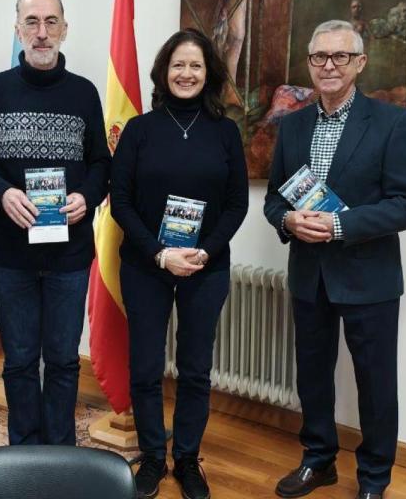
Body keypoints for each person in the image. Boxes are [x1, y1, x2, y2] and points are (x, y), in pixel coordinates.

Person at [264, 20, 406, 499]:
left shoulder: (393, 123)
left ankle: (374, 479)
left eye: (340, 56)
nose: (329, 65)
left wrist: (339, 225)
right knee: (312, 376)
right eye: (320, 57)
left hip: (368, 277)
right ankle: (318, 460)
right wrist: (287, 221)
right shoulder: (293, 126)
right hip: (309, 276)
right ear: (309, 63)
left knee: (375, 383)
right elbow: (274, 199)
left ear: (360, 63)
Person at [0, 0, 110, 446]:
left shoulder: (84, 93)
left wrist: (87, 196)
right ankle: (25, 452)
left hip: (69, 256)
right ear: (18, 29)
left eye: (50, 22)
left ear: (65, 29)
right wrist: (3, 193)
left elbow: (101, 163)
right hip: (11, 257)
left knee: (64, 361)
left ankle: (61, 453)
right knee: (21, 360)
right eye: (31, 22)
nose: (41, 32)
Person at [111, 28, 249, 499]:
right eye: (178, 65)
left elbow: (237, 204)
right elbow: (121, 201)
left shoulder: (226, 131)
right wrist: (160, 252)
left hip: (206, 266)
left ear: (208, 73)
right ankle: (153, 456)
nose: (186, 73)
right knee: (146, 366)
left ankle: (187, 459)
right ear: (163, 72)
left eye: (195, 65)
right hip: (146, 264)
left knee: (195, 368)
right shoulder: (139, 130)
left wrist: (205, 250)